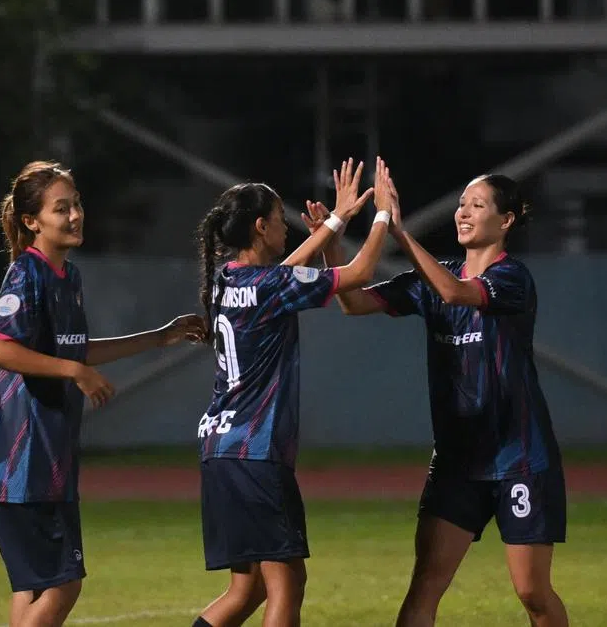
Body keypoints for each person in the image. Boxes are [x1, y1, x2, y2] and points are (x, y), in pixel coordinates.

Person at [309, 171, 569, 627]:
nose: (463, 213)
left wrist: (398, 231)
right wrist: (332, 243)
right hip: (457, 464)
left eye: (477, 205)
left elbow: (455, 294)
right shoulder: (432, 276)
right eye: (461, 202)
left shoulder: (511, 277)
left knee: (532, 593)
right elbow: (353, 303)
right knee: (425, 586)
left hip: (519, 458)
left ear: (506, 219)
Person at [0, 159, 206, 627]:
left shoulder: (68, 277)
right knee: (65, 581)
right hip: (24, 460)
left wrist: (159, 336)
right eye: (61, 208)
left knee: (35, 586)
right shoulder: (27, 274)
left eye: (77, 204)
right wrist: (72, 371)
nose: (76, 215)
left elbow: (76, 349)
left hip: (48, 455)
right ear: (31, 221)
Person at [190, 157, 394, 627]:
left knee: (247, 589)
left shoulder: (228, 281)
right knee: (286, 583)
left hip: (220, 449)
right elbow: (360, 273)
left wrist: (334, 224)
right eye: (281, 223)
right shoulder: (270, 286)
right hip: (256, 451)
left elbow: (282, 274)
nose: (288, 230)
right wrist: (379, 213)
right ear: (261, 227)